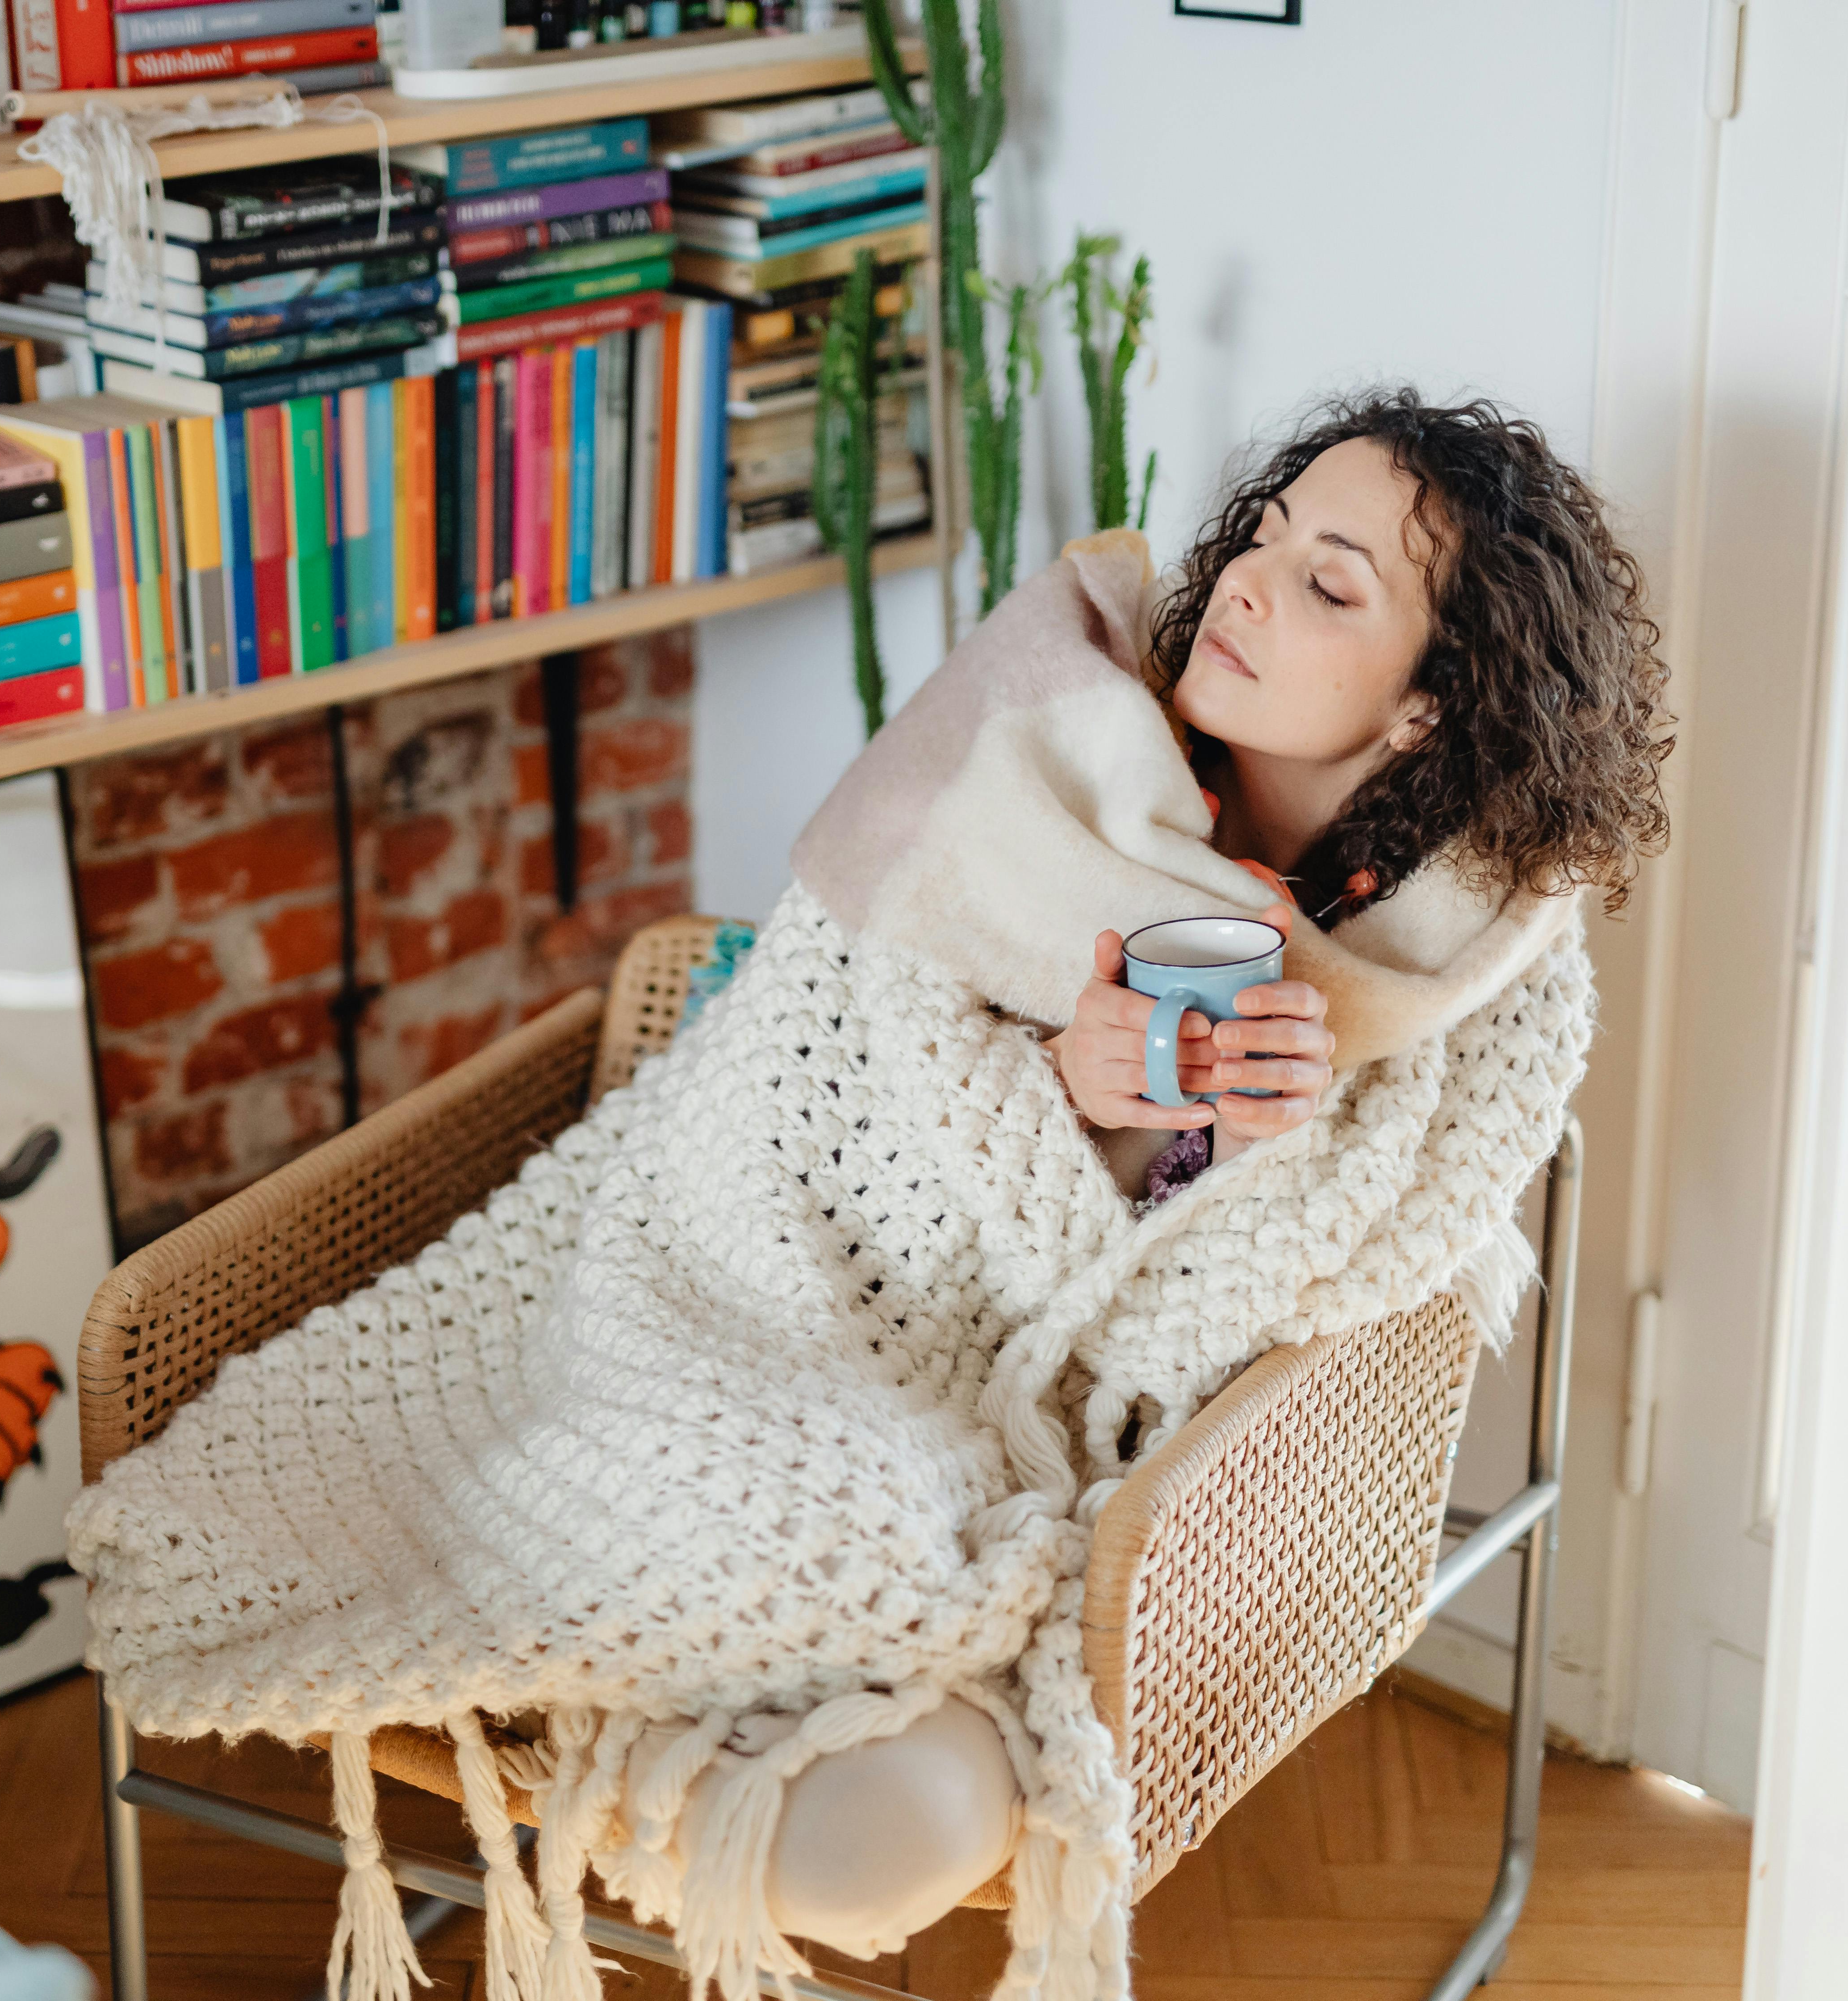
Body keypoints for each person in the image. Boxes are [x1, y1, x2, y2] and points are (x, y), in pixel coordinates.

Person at [643, 389, 1673, 1958]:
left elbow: (1329, 1265)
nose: (1249, 583)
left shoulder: (1472, 968)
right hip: (798, 1302)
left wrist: (1254, 1150)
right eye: (1264, 536)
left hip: (1098, 1469)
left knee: (857, 1837)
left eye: (1332, 585)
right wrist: (1058, 1085)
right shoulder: (1055, 748)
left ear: (1428, 711)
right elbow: (845, 1040)